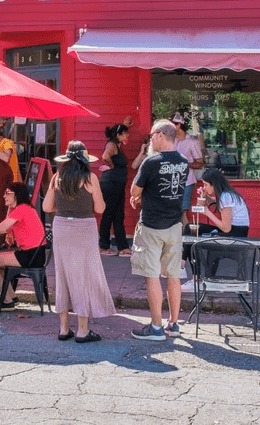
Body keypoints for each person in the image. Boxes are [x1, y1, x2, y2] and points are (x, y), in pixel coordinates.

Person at [43, 141, 114, 343]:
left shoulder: (58, 177)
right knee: (83, 276)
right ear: (84, 159)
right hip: (85, 228)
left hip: (62, 227)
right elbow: (100, 209)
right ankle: (83, 329)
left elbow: (47, 206)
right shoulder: (90, 178)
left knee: (62, 275)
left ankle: (64, 328)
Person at [129, 120, 189, 341]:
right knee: (174, 276)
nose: (150, 139)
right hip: (174, 225)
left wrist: (137, 196)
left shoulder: (151, 162)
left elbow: (136, 189)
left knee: (152, 275)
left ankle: (155, 327)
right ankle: (173, 324)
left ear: (162, 135)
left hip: (152, 225)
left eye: (152, 135)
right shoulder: (184, 162)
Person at [0, 182, 47, 309]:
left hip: (31, 255)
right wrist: (10, 209)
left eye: (8, 193)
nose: (4, 196)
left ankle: (7, 300)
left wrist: (9, 211)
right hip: (36, 254)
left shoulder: (21, 209)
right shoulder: (24, 208)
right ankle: (11, 297)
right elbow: (9, 234)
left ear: (17, 195)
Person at [99, 122, 132, 256]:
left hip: (117, 184)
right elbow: (105, 157)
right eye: (125, 133)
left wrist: (125, 124)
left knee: (118, 214)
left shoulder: (116, 144)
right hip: (111, 184)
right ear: (119, 135)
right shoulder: (112, 145)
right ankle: (103, 246)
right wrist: (111, 166)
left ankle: (122, 247)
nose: (127, 135)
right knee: (109, 214)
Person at [194, 168, 250, 237]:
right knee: (196, 228)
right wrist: (205, 196)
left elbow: (226, 229)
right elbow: (216, 203)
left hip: (236, 233)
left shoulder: (226, 196)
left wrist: (207, 212)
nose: (204, 187)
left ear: (214, 184)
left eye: (205, 185)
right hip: (236, 230)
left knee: (196, 231)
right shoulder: (226, 194)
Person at [172, 113, 204, 222]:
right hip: (169, 180)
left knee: (182, 211)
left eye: (171, 125)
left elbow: (200, 163)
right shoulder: (169, 140)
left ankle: (185, 237)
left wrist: (184, 164)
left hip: (186, 181)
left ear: (178, 125)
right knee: (172, 210)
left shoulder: (192, 142)